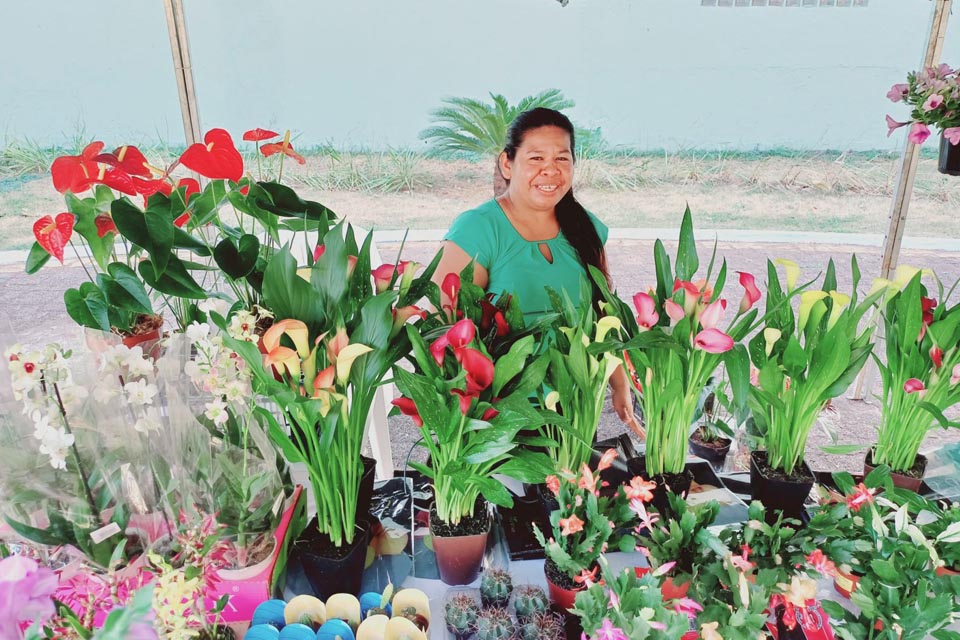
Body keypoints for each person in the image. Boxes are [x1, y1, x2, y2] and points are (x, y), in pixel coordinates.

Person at [433, 107, 643, 438]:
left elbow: (603, 314)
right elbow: (442, 328)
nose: (550, 171)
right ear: (507, 163)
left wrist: (620, 384)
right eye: (535, 159)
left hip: (574, 412)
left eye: (562, 159)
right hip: (500, 419)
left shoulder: (584, 228)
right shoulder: (479, 230)